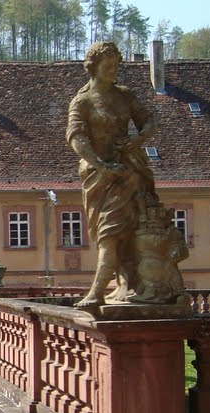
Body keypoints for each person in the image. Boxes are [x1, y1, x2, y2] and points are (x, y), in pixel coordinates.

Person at [66, 41, 158, 308]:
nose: (113, 71)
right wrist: (99, 164)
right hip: (100, 176)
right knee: (107, 231)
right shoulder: (82, 100)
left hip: (129, 171)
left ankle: (103, 290)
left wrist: (138, 139)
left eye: (116, 66)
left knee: (120, 232)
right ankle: (122, 284)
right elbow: (75, 137)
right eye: (108, 66)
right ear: (93, 67)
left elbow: (150, 120)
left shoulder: (125, 96)